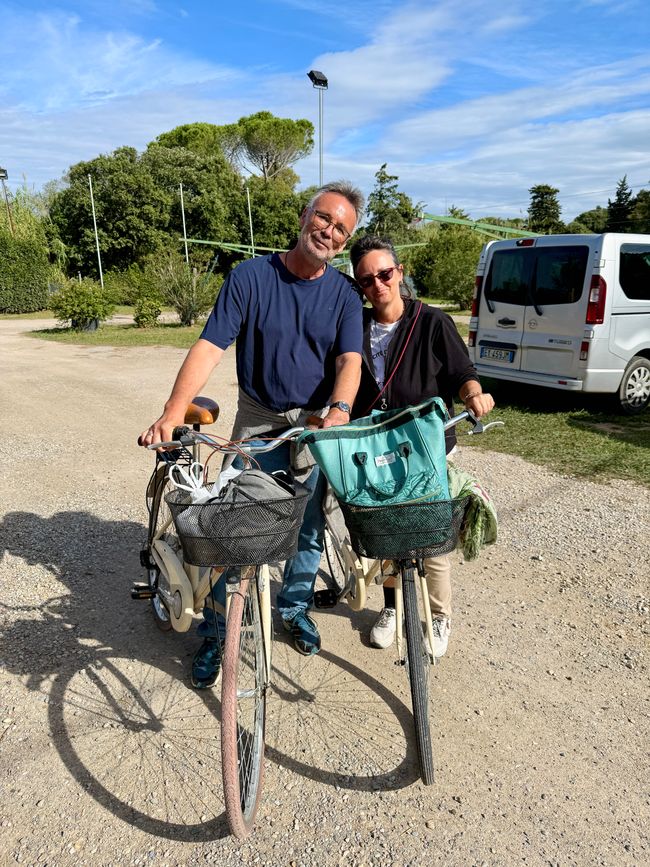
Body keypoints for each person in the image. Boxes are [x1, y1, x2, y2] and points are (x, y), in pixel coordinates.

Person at [140, 181, 365, 687]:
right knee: (231, 526)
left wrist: (340, 407)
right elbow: (210, 345)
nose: (328, 231)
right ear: (306, 215)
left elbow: (350, 359)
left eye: (341, 229)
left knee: (306, 523)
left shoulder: (345, 294)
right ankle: (218, 632)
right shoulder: (250, 277)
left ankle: (294, 606)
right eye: (324, 218)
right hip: (258, 415)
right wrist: (173, 411)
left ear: (346, 242)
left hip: (312, 421)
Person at [348, 235, 494, 657]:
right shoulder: (354, 326)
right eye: (366, 279)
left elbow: (462, 372)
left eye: (384, 273)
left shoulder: (431, 322)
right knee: (389, 536)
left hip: (428, 448)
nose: (377, 284)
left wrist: (473, 396)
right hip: (377, 451)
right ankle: (393, 607)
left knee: (431, 540)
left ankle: (440, 614)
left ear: (399, 273)